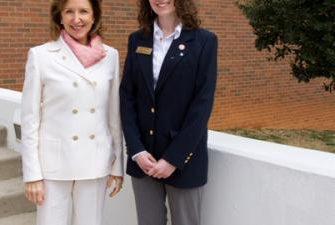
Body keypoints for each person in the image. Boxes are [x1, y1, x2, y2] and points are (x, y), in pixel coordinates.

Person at [20, 0, 123, 224]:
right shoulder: (41, 56)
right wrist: (32, 174)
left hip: (96, 160)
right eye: (69, 12)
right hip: (53, 163)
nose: (77, 19)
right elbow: (30, 120)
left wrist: (117, 165)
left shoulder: (111, 56)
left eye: (84, 11)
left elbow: (113, 115)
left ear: (94, 16)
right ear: (60, 17)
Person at [120, 0, 218, 225]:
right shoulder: (138, 40)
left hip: (184, 159)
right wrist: (136, 150)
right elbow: (127, 97)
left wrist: (174, 158)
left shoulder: (204, 41)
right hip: (144, 159)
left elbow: (202, 104)